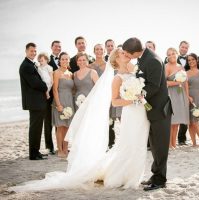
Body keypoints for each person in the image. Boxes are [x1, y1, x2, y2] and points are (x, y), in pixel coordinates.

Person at [9, 48, 150, 192]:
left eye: (126, 53)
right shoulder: (115, 78)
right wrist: (133, 99)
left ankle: (134, 172)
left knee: (136, 143)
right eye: (123, 53)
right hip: (130, 109)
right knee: (127, 143)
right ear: (116, 58)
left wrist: (140, 95)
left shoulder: (133, 69)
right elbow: (114, 100)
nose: (127, 55)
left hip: (139, 112)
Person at [123, 37, 172, 191]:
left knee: (161, 146)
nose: (126, 56)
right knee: (155, 145)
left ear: (135, 52)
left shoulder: (153, 60)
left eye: (127, 54)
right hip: (151, 110)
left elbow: (154, 86)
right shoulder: (144, 57)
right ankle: (155, 175)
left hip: (160, 110)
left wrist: (137, 93)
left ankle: (160, 180)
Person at [19, 43, 48, 160]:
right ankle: (33, 154)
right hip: (34, 102)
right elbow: (35, 83)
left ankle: (36, 152)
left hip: (37, 101)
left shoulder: (31, 64)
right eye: (31, 51)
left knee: (37, 127)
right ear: (26, 51)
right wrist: (46, 86)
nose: (34, 53)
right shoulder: (26, 66)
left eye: (35, 51)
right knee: (35, 128)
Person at [165, 48, 189, 149]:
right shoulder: (166, 67)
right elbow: (164, 83)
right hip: (171, 94)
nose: (171, 56)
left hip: (180, 94)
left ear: (177, 54)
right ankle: (169, 144)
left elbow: (186, 83)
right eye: (169, 54)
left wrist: (187, 96)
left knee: (177, 122)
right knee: (171, 121)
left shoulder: (181, 67)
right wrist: (176, 83)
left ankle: (174, 144)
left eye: (173, 54)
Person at [52, 52, 75, 157]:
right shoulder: (56, 73)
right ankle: (60, 150)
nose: (65, 61)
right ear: (59, 61)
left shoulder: (71, 74)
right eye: (63, 59)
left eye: (67, 59)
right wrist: (58, 104)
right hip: (60, 101)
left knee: (67, 126)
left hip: (69, 102)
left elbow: (73, 90)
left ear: (69, 60)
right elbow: (55, 90)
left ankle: (66, 148)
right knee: (60, 127)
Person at [186, 53, 199, 146]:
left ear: (197, 60)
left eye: (192, 59)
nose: (191, 62)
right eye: (189, 60)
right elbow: (182, 87)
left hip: (198, 98)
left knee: (195, 122)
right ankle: (194, 143)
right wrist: (187, 96)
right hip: (187, 98)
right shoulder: (185, 73)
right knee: (189, 123)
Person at [37, 53, 55, 154]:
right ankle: (49, 146)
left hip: (57, 96)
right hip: (45, 98)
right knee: (47, 122)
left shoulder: (50, 67)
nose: (41, 61)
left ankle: (61, 145)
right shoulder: (39, 68)